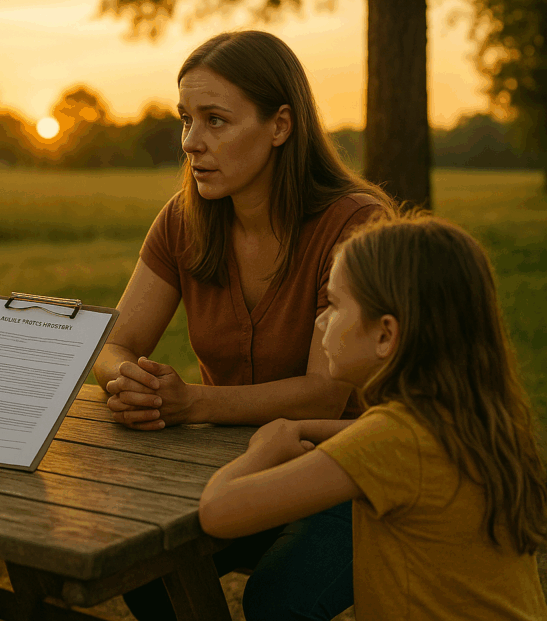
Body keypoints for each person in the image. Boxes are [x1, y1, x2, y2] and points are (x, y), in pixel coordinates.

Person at [92, 30, 393, 619]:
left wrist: (194, 402)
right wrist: (135, 382)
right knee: (138, 562)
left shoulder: (354, 225)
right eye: (185, 120)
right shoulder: (184, 221)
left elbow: (328, 394)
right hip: (238, 462)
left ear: (280, 125)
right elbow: (113, 343)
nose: (191, 142)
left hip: (354, 466)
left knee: (278, 598)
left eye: (216, 121)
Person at [199, 213, 547, 619]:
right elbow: (375, 434)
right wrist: (298, 425)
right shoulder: (470, 420)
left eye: (334, 304)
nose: (320, 319)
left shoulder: (391, 440)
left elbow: (218, 511)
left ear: (385, 335)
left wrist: (266, 446)